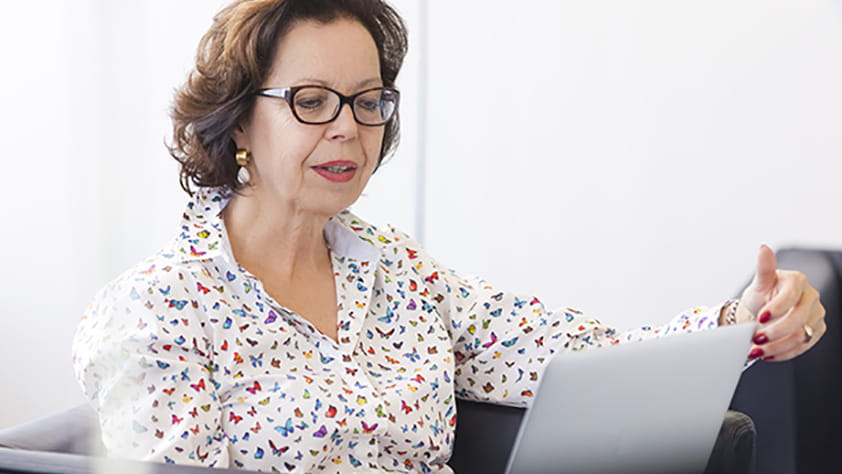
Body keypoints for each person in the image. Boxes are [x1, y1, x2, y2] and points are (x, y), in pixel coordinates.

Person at [72, 0, 826, 472]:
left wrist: (740, 326)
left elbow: (569, 354)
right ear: (238, 119)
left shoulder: (394, 271)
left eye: (369, 101)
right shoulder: (156, 311)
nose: (348, 127)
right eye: (311, 100)